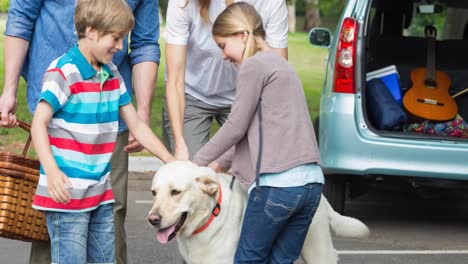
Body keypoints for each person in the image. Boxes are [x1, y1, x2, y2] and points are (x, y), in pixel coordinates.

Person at [0, 0, 160, 263]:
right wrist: (8, 89)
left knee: (110, 209)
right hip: (56, 111)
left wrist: (140, 111)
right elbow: (21, 18)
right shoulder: (61, 72)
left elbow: (145, 43)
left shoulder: (114, 75)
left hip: (109, 107)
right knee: (54, 210)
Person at [192, 2, 324, 263]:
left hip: (277, 186)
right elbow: (252, 130)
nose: (224, 56)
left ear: (242, 36)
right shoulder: (280, 65)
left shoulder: (254, 66)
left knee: (248, 260)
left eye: (223, 46)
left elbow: (234, 127)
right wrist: (219, 163)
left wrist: (195, 163)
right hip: (311, 184)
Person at [163, 0, 288, 163]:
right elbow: (175, 80)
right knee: (192, 171)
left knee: (249, 167)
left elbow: (276, 77)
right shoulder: (184, 3)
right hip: (192, 94)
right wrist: (180, 143)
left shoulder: (271, 3)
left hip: (245, 96)